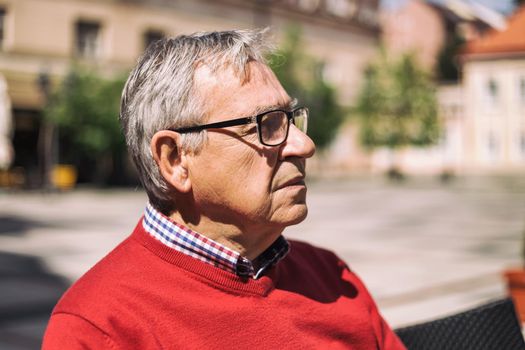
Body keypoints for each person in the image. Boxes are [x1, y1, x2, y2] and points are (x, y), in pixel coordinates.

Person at [42, 29, 406, 349]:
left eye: (291, 119)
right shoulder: (99, 328)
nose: (303, 145)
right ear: (175, 159)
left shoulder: (330, 274)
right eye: (267, 124)